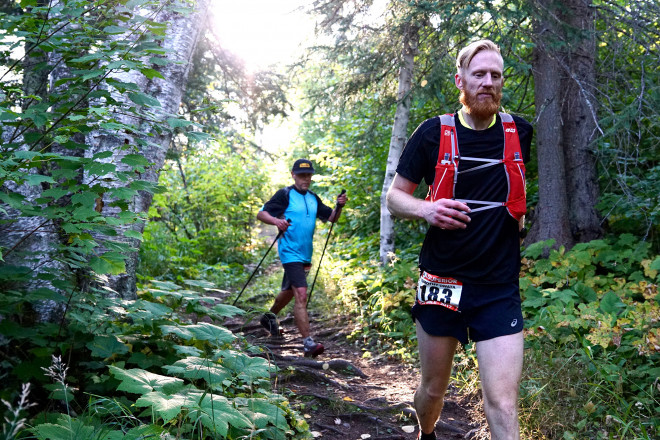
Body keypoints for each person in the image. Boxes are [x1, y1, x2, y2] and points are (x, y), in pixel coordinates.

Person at [386, 39, 533, 440]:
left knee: (503, 402)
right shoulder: (432, 133)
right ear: (461, 80)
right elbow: (395, 197)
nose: (488, 82)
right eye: (479, 74)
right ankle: (426, 433)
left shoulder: (520, 131)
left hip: (497, 287)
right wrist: (427, 209)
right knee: (433, 390)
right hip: (442, 281)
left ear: (502, 82)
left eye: (496, 75)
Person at [257, 159, 348, 358]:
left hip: (305, 253)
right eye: (301, 175)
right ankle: (308, 343)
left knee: (290, 292)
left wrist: (339, 206)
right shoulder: (285, 194)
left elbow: (332, 218)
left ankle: (268, 317)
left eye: (308, 175)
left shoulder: (313, 198)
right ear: (293, 175)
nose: (305, 179)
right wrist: (277, 221)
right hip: (289, 252)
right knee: (301, 293)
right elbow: (261, 214)